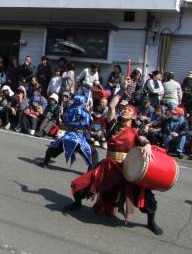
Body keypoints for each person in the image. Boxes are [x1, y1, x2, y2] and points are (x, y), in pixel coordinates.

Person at [69, 94, 163, 235]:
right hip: (108, 167)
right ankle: (77, 203)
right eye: (124, 109)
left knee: (146, 198)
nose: (125, 111)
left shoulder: (136, 131)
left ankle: (151, 222)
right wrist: (121, 92)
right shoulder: (113, 125)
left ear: (134, 117)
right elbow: (112, 106)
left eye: (129, 110)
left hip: (127, 169)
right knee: (81, 185)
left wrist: (148, 145)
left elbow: (143, 139)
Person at [38, 95, 98, 170]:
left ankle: (45, 163)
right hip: (79, 139)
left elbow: (64, 120)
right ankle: (91, 172)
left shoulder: (70, 109)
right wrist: (88, 113)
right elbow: (88, 122)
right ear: (82, 102)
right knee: (93, 153)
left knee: (53, 146)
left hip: (69, 137)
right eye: (85, 102)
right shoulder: (84, 112)